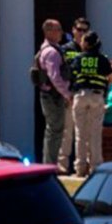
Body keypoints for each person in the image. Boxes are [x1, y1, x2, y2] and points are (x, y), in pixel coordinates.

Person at [69, 30, 112, 177]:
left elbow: (71, 75)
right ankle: (95, 167)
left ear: (87, 43)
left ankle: (80, 168)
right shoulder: (103, 59)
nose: (80, 42)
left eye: (83, 40)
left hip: (80, 95)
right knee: (95, 133)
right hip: (96, 96)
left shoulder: (78, 58)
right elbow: (110, 77)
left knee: (80, 134)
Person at [37, 19, 72, 171]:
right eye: (58, 29)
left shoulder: (50, 49)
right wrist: (67, 94)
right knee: (55, 130)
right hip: (53, 97)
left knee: (53, 130)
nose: (61, 33)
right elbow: (55, 77)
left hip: (50, 95)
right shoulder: (51, 52)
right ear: (48, 32)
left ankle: (49, 164)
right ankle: (50, 166)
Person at [57, 17, 90, 173]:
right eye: (79, 29)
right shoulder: (65, 49)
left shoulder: (90, 51)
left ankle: (82, 166)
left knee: (84, 133)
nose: (82, 33)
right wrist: (65, 92)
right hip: (69, 95)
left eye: (85, 30)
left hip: (84, 93)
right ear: (73, 30)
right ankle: (62, 166)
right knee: (67, 132)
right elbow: (59, 72)